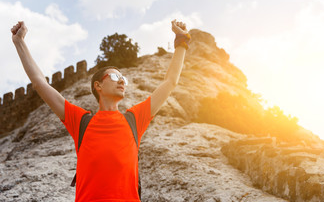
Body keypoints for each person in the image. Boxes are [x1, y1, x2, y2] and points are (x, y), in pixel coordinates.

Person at [11, 19, 191, 201]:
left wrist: (181, 40)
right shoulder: (80, 121)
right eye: (114, 76)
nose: (122, 81)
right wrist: (20, 42)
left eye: (123, 78)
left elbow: (170, 82)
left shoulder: (135, 119)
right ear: (98, 85)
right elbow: (39, 83)